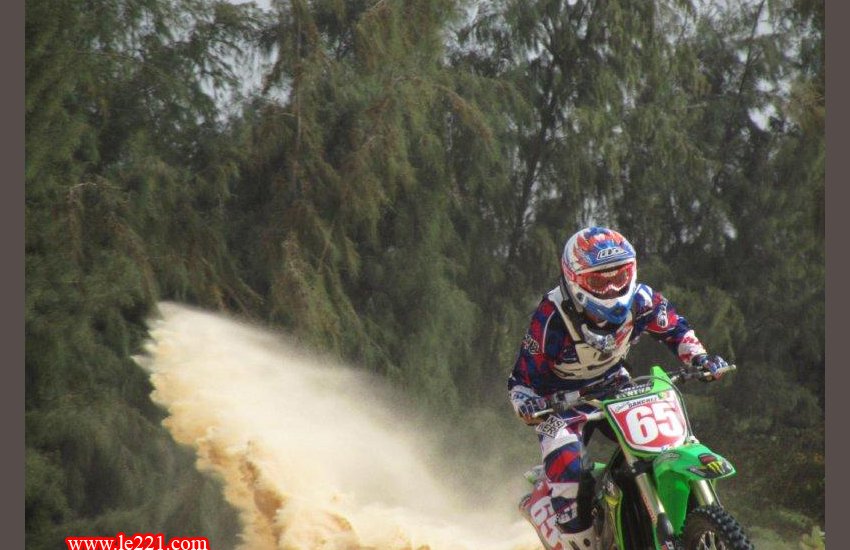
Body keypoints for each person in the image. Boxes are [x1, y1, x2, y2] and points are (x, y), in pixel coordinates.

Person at [508, 226, 729, 547]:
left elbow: (676, 329)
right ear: (575, 280)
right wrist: (527, 403)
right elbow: (522, 379)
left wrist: (700, 358)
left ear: (632, 271)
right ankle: (576, 535)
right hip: (560, 404)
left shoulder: (642, 299)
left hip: (615, 387)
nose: (612, 289)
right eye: (600, 282)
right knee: (569, 467)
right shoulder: (551, 317)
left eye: (620, 277)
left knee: (666, 440)